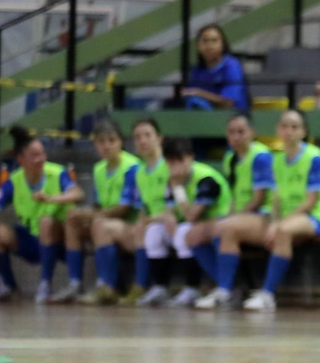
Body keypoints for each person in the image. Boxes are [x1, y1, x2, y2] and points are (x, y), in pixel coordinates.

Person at [211, 110, 320, 312]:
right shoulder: (276, 160)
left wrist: (278, 224)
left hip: (311, 217)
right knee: (228, 228)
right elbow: (275, 198)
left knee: (282, 231)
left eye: (294, 127)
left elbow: (311, 201)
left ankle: (267, 294)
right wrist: (274, 220)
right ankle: (225, 291)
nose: (288, 131)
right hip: (282, 218)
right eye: (284, 126)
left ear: (303, 131)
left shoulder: (314, 158)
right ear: (277, 130)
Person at [0, 127, 84, 304]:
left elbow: (78, 194)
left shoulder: (58, 173)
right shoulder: (13, 182)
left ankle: (45, 284)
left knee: (46, 222)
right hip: (31, 240)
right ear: (21, 159)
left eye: (42, 154)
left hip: (58, 240)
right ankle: (8, 286)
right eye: (35, 155)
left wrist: (52, 198)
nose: (41, 159)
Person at [189, 113, 274, 308]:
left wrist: (232, 217)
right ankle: (230, 285)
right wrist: (230, 214)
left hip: (264, 215)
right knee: (192, 235)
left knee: (225, 228)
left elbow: (259, 199)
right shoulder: (230, 158)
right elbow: (235, 195)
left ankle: (224, 290)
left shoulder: (260, 156)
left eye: (241, 131)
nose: (236, 136)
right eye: (231, 132)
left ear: (252, 133)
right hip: (240, 215)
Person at [75, 119, 142, 305]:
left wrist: (95, 217)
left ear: (121, 142)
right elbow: (98, 204)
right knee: (72, 221)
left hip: (133, 225)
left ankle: (106, 285)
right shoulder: (99, 169)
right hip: (111, 222)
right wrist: (85, 214)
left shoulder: (132, 167)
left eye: (112, 140)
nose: (106, 146)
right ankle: (74, 283)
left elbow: (125, 207)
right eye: (101, 141)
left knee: (99, 225)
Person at [162, 137, 230, 307]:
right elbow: (169, 208)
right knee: (162, 233)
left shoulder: (206, 179)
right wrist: (168, 217)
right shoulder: (171, 180)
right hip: (201, 224)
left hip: (222, 220)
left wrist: (178, 189)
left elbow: (192, 216)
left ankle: (196, 287)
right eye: (170, 162)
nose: (175, 166)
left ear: (190, 157)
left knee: (185, 234)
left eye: (180, 160)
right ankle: (161, 287)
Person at [127, 118, 175, 306]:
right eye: (138, 137)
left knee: (151, 231)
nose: (143, 140)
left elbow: (174, 205)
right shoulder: (140, 172)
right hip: (156, 221)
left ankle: (144, 284)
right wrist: (141, 222)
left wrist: (148, 221)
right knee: (141, 230)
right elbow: (143, 206)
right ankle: (150, 287)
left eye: (147, 135)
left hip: (174, 219)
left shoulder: (169, 165)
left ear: (159, 138)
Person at [182, 24, 249, 112]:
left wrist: (199, 93)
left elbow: (228, 103)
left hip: (232, 117)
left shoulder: (231, 65)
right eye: (205, 41)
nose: (210, 46)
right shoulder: (197, 70)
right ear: (198, 46)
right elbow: (190, 95)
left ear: (223, 44)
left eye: (214, 41)